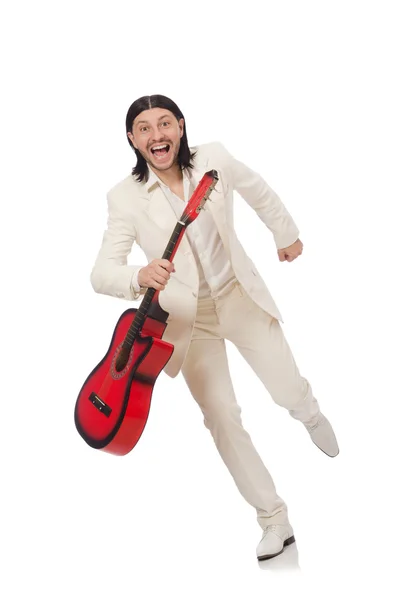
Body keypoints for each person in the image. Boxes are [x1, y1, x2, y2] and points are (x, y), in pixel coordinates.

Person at [90, 94, 339, 561]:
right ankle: (273, 520)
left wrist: (286, 235)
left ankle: (308, 413)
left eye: (165, 123)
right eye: (144, 128)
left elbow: (258, 190)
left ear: (181, 126)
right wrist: (136, 276)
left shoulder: (215, 158)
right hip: (188, 321)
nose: (156, 134)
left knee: (286, 389)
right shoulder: (123, 198)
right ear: (132, 139)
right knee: (222, 416)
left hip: (238, 296)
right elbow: (101, 271)